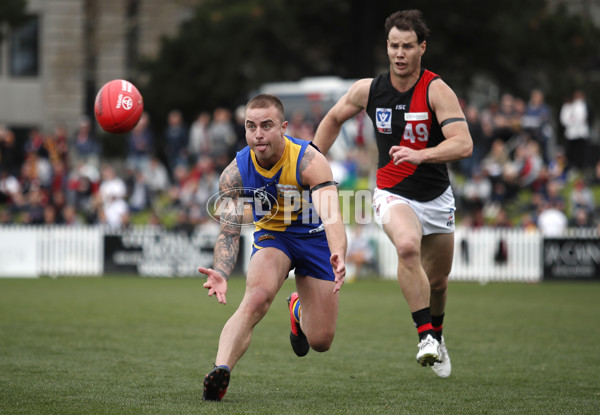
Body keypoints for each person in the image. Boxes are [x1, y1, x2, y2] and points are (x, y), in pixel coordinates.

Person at [312, 9, 473, 378]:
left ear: (422, 48)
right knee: (406, 248)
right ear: (387, 47)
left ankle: (437, 333)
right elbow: (334, 118)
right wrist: (313, 163)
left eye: (408, 46)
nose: (400, 53)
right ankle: (425, 338)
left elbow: (464, 144)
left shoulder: (436, 90)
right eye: (394, 46)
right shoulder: (369, 90)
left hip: (436, 198)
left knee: (438, 282)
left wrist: (422, 154)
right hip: (391, 192)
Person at [199, 94, 347, 401]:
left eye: (266, 125)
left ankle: (297, 309)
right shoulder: (235, 173)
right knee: (255, 299)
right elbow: (228, 231)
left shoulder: (309, 161)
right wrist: (222, 271)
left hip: (315, 236)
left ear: (283, 127)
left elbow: (331, 215)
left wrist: (338, 253)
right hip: (273, 236)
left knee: (320, 341)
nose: (258, 134)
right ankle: (220, 370)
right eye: (251, 126)